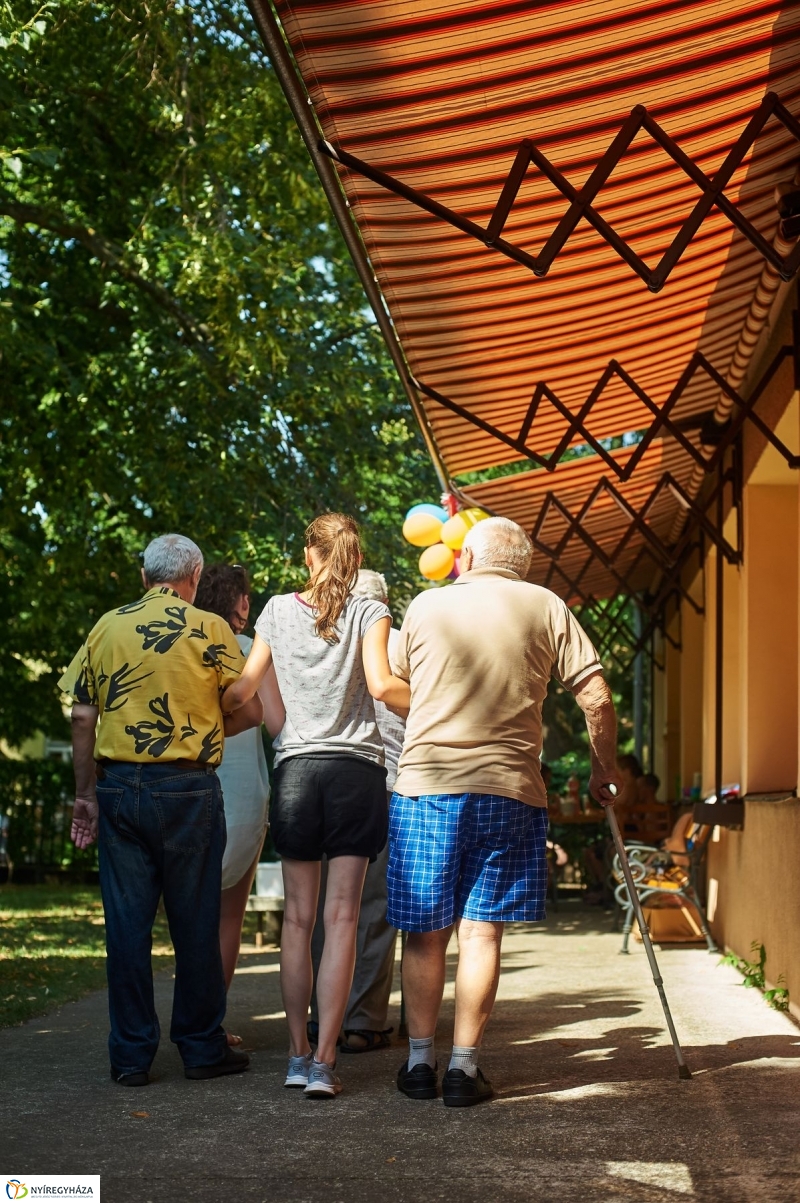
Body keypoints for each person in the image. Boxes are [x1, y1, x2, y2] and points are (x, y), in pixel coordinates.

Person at [388, 516, 621, 1107]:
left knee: (423, 934)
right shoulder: (543, 605)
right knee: (481, 931)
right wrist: (603, 771)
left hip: (425, 788)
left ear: (464, 556)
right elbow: (596, 695)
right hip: (508, 788)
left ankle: (419, 1064)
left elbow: (393, 683)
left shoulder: (424, 607)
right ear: (523, 565)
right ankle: (464, 1071)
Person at [60, 534, 263, 1087]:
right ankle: (200, 1049)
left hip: (119, 788)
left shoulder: (107, 627)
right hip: (189, 789)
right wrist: (201, 729)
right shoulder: (211, 629)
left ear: (143, 576)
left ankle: (130, 1057)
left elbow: (82, 716)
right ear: (194, 576)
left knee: (126, 926)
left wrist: (85, 795)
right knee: (196, 921)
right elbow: (248, 705)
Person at [221, 514, 410, 1099]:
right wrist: (439, 697)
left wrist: (207, 708)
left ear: (309, 554)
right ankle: (326, 1062)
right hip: (357, 775)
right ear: (355, 557)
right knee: (343, 920)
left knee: (297, 923)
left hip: (297, 774)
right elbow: (383, 688)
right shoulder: (370, 611)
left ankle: (297, 1056)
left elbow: (242, 691)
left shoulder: (275, 610)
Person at [309, 568, 404, 1053]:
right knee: (375, 908)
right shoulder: (403, 644)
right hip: (386, 784)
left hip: (320, 782)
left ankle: (321, 1015)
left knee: (324, 904)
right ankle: (364, 1020)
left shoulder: (322, 639)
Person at [194, 564, 286, 1003]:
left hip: (190, 787)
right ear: (242, 603)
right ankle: (209, 1020)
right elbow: (276, 724)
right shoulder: (251, 651)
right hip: (245, 794)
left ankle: (190, 1014)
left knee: (193, 912)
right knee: (230, 917)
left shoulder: (186, 644)